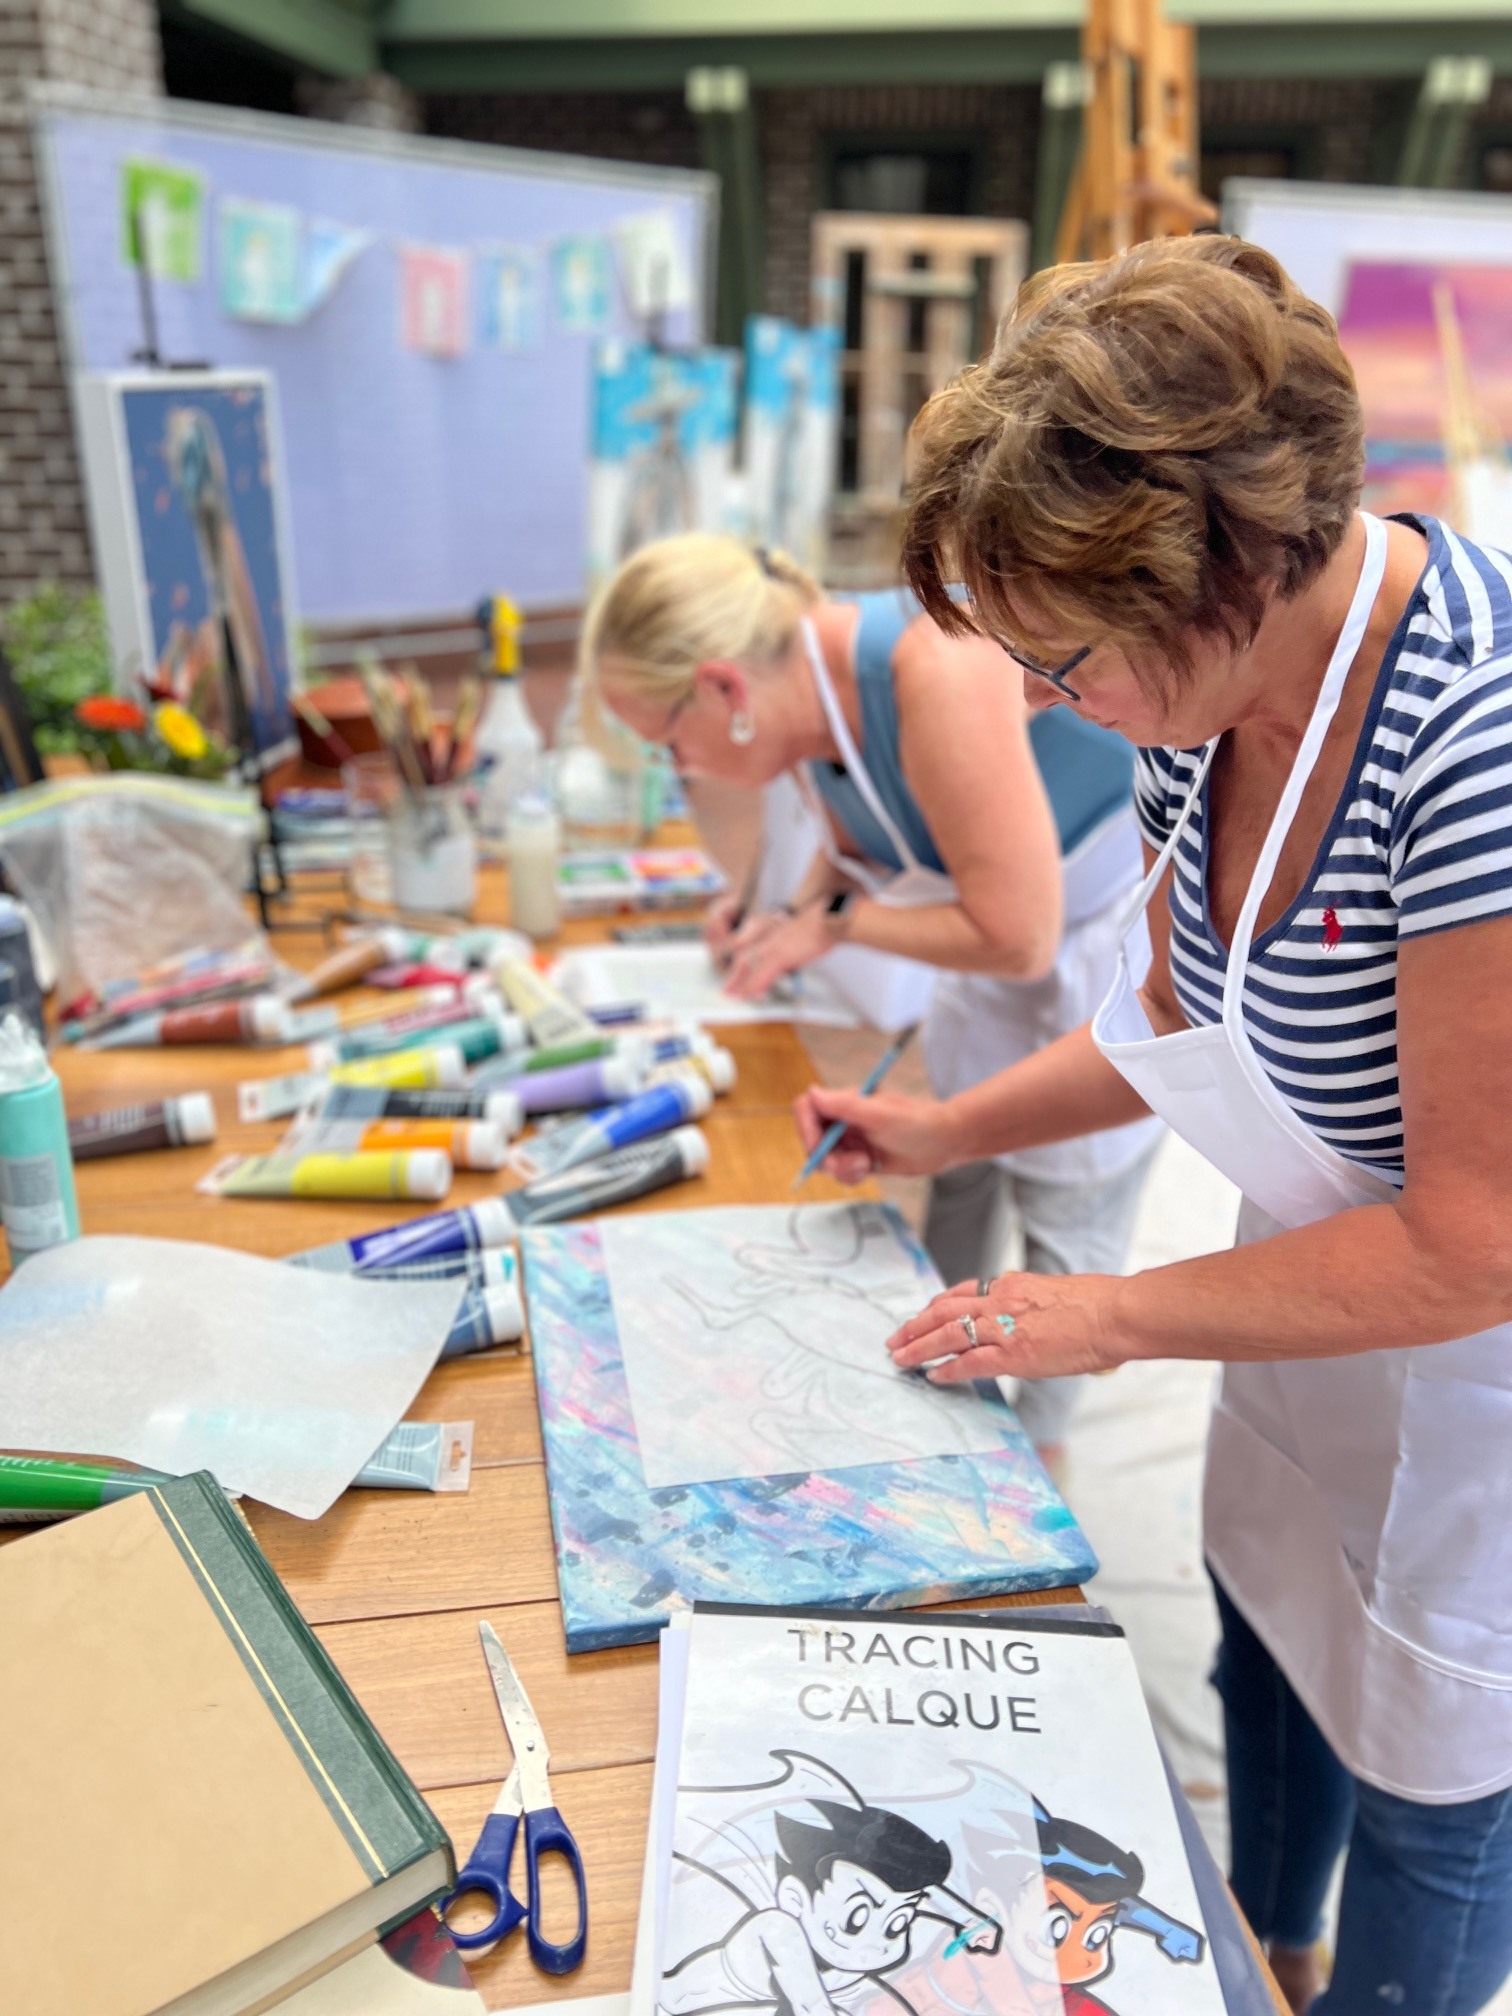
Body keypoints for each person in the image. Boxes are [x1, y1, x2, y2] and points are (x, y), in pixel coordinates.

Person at [794, 233, 1512, 2016]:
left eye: (1065, 657)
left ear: (1228, 567)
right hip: (1320, 1282)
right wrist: (947, 1131)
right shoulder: (1206, 699)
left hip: (1478, 1357)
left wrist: (1106, 1314)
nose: (1048, 702)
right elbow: (1171, 1020)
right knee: (1267, 1622)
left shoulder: (1471, 738)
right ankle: (1265, 1936)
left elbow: (1467, 1243)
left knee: (1437, 1793)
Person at [579, 533, 1161, 1464]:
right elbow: (847, 823)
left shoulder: (932, 663)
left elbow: (1017, 936)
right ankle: (940, 1413)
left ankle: (1037, 1471)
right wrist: (788, 911)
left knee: (1064, 1246)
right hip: (998, 968)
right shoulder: (803, 676)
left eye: (666, 745)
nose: (676, 771)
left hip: (1095, 952)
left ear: (726, 693)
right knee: (957, 1182)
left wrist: (840, 922)